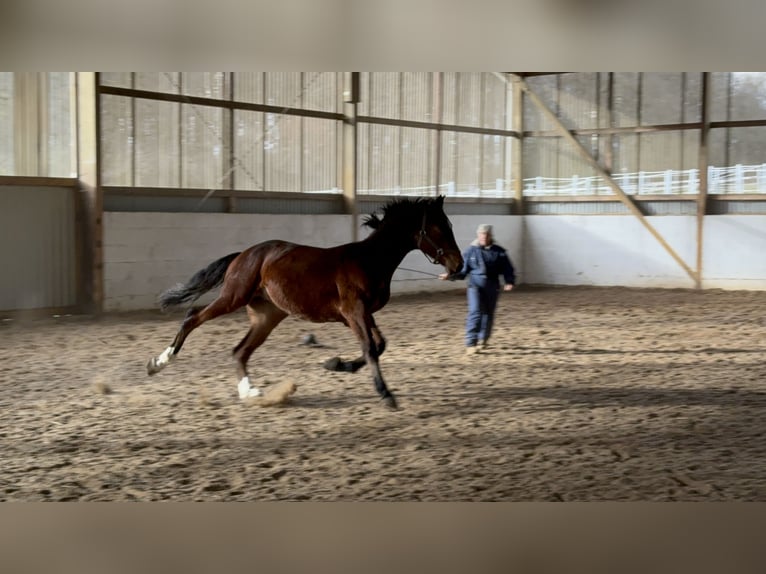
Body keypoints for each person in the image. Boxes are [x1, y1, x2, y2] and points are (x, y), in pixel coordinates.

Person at [439, 223, 515, 355]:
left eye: (486, 234)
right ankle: (471, 342)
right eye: (481, 234)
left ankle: (483, 338)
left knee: (488, 313)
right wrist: (450, 276)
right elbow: (463, 271)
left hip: (492, 285)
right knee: (475, 311)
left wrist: (510, 281)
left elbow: (508, 269)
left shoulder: (500, 252)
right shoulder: (470, 251)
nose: (483, 237)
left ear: (490, 236)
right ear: (478, 235)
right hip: (475, 285)